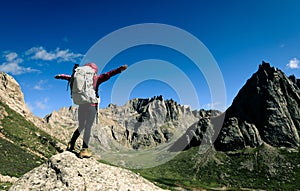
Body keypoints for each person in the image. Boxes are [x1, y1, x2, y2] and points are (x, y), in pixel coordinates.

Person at [55, 62, 127, 158]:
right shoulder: (96, 78)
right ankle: (84, 150)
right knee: (88, 127)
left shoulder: (79, 77)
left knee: (81, 126)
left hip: (81, 105)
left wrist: (60, 76)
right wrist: (119, 69)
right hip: (91, 105)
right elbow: (107, 75)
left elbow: (69, 78)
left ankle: (71, 144)